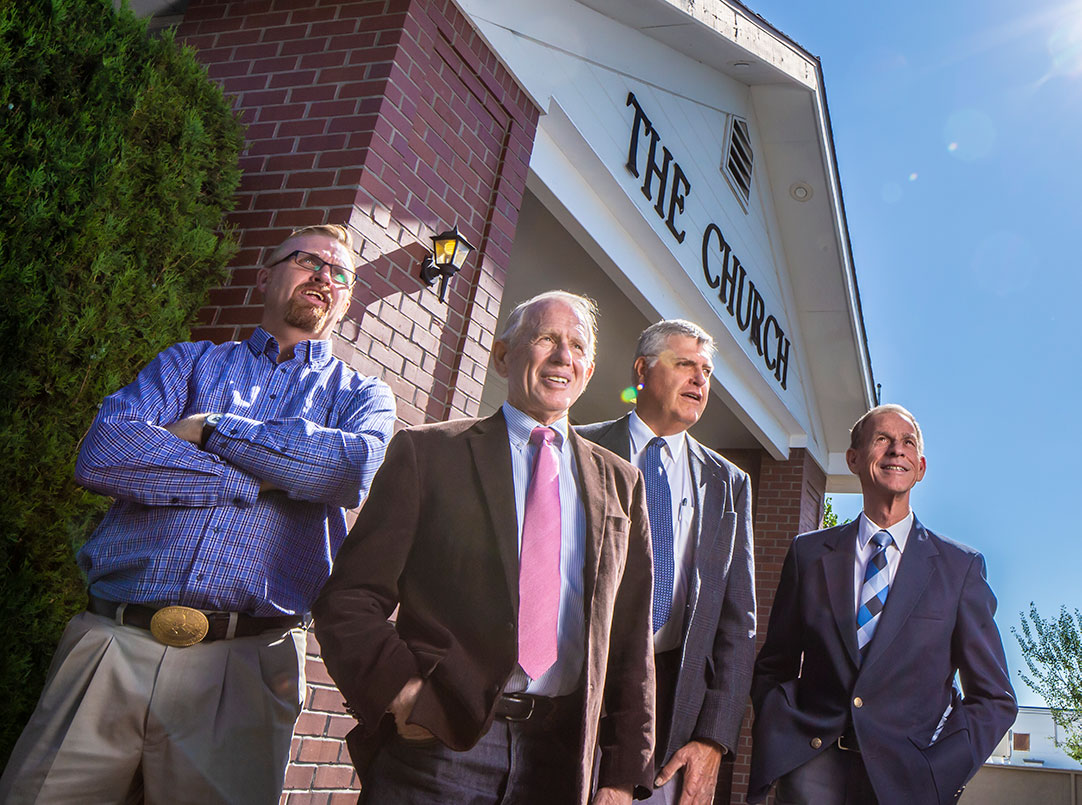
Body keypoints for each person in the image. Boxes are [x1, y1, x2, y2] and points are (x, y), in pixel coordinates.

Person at [0, 224, 396, 804]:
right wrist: (266, 474)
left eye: (341, 273)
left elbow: (347, 471)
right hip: (112, 643)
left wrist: (210, 430)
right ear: (266, 275)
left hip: (246, 666)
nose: (325, 277)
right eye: (309, 261)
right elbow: (106, 452)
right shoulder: (187, 363)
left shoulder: (363, 396)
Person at [313, 290, 655, 805]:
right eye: (546, 339)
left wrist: (622, 775)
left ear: (588, 369)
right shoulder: (428, 454)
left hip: (560, 762)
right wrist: (402, 693)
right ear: (501, 355)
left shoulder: (621, 483)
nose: (564, 357)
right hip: (439, 743)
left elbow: (630, 638)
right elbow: (351, 596)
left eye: (578, 347)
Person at [748, 404, 1017, 805]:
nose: (897, 450)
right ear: (854, 459)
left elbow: (994, 697)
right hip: (810, 768)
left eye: (908, 443)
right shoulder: (809, 555)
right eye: (882, 440)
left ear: (921, 467)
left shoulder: (960, 568)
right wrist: (779, 735)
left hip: (906, 781)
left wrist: (940, 771)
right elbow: (775, 664)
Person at [579, 319, 756, 805]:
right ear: (642, 370)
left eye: (706, 371)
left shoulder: (728, 484)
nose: (700, 380)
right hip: (576, 699)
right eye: (685, 365)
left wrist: (714, 739)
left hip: (671, 720)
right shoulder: (579, 450)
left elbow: (737, 625)